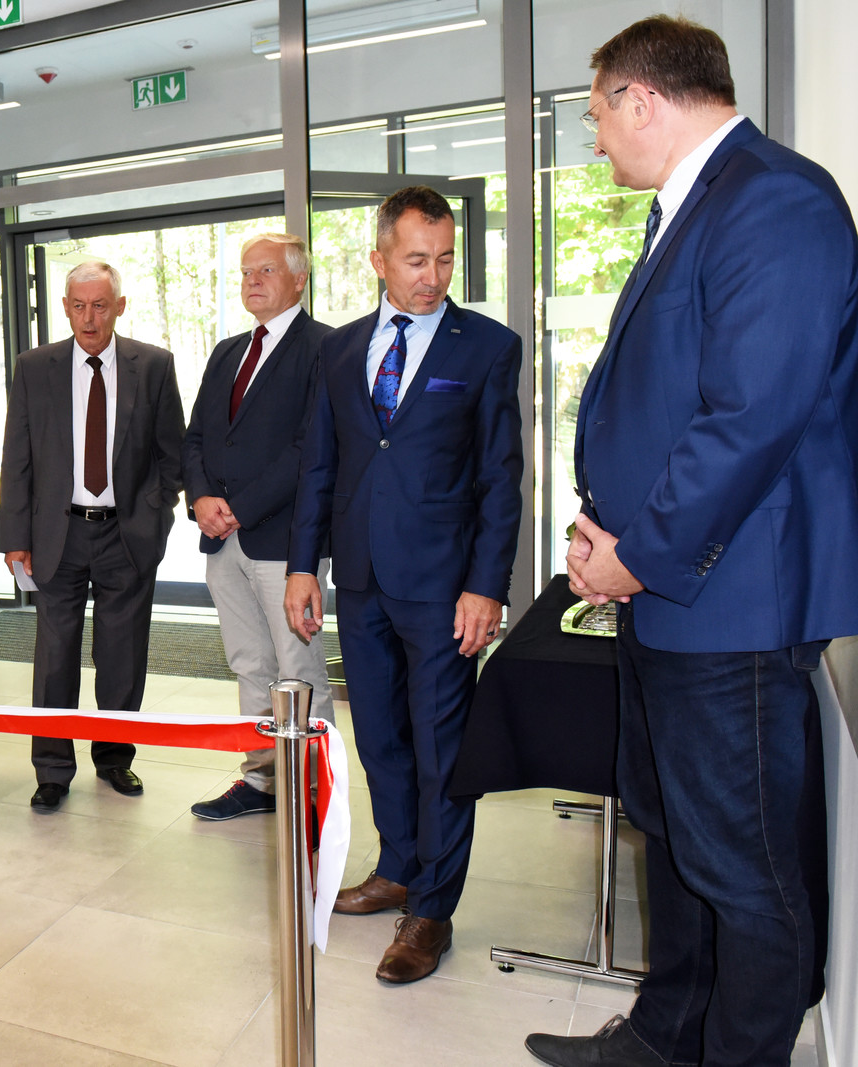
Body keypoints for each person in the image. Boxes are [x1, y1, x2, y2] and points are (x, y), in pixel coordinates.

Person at [526, 16, 858, 1067]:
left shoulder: (777, 200)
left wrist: (638, 553)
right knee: (672, 834)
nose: (595, 139)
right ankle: (662, 1038)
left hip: (732, 606)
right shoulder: (694, 206)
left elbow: (749, 419)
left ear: (641, 99)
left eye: (597, 115)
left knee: (745, 871)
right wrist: (607, 531)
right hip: (673, 595)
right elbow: (672, 406)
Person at [284, 186, 523, 983]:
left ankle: (432, 909)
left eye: (446, 258)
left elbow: (500, 479)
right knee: (382, 738)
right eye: (417, 260)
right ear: (378, 260)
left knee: (442, 749)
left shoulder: (485, 347)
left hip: (445, 588)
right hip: (361, 580)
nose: (433, 276)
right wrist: (303, 565)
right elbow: (320, 466)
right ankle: (398, 866)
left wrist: (487, 585)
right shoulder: (339, 350)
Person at [0, 260, 185, 813]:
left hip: (127, 535)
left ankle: (114, 757)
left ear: (119, 307)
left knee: (122, 655)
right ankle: (52, 769)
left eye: (100, 306)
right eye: (78, 306)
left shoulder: (153, 365)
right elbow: (17, 456)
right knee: (55, 657)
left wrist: (154, 510)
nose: (89, 318)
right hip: (56, 534)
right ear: (64, 307)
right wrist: (14, 536)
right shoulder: (36, 367)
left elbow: (172, 452)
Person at [182, 232, 335, 821]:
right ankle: (263, 781)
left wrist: (240, 506)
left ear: (299, 279)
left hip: (286, 543)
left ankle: (314, 791)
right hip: (222, 541)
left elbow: (310, 448)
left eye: (266, 270)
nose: (252, 281)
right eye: (247, 271)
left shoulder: (325, 348)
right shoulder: (228, 352)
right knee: (249, 665)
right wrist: (201, 497)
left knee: (299, 670)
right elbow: (197, 437)